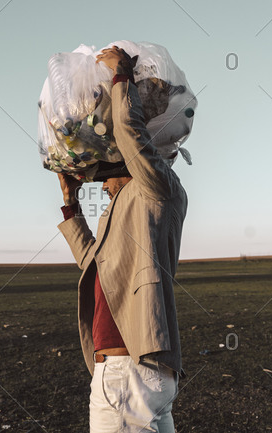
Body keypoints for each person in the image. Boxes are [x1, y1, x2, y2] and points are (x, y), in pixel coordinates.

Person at [56, 46, 188, 433]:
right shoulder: (129, 208)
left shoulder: (154, 189)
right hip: (135, 374)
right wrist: (70, 206)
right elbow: (97, 263)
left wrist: (122, 76)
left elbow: (131, 136)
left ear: (126, 164)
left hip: (128, 372)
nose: (99, 183)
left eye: (102, 175)